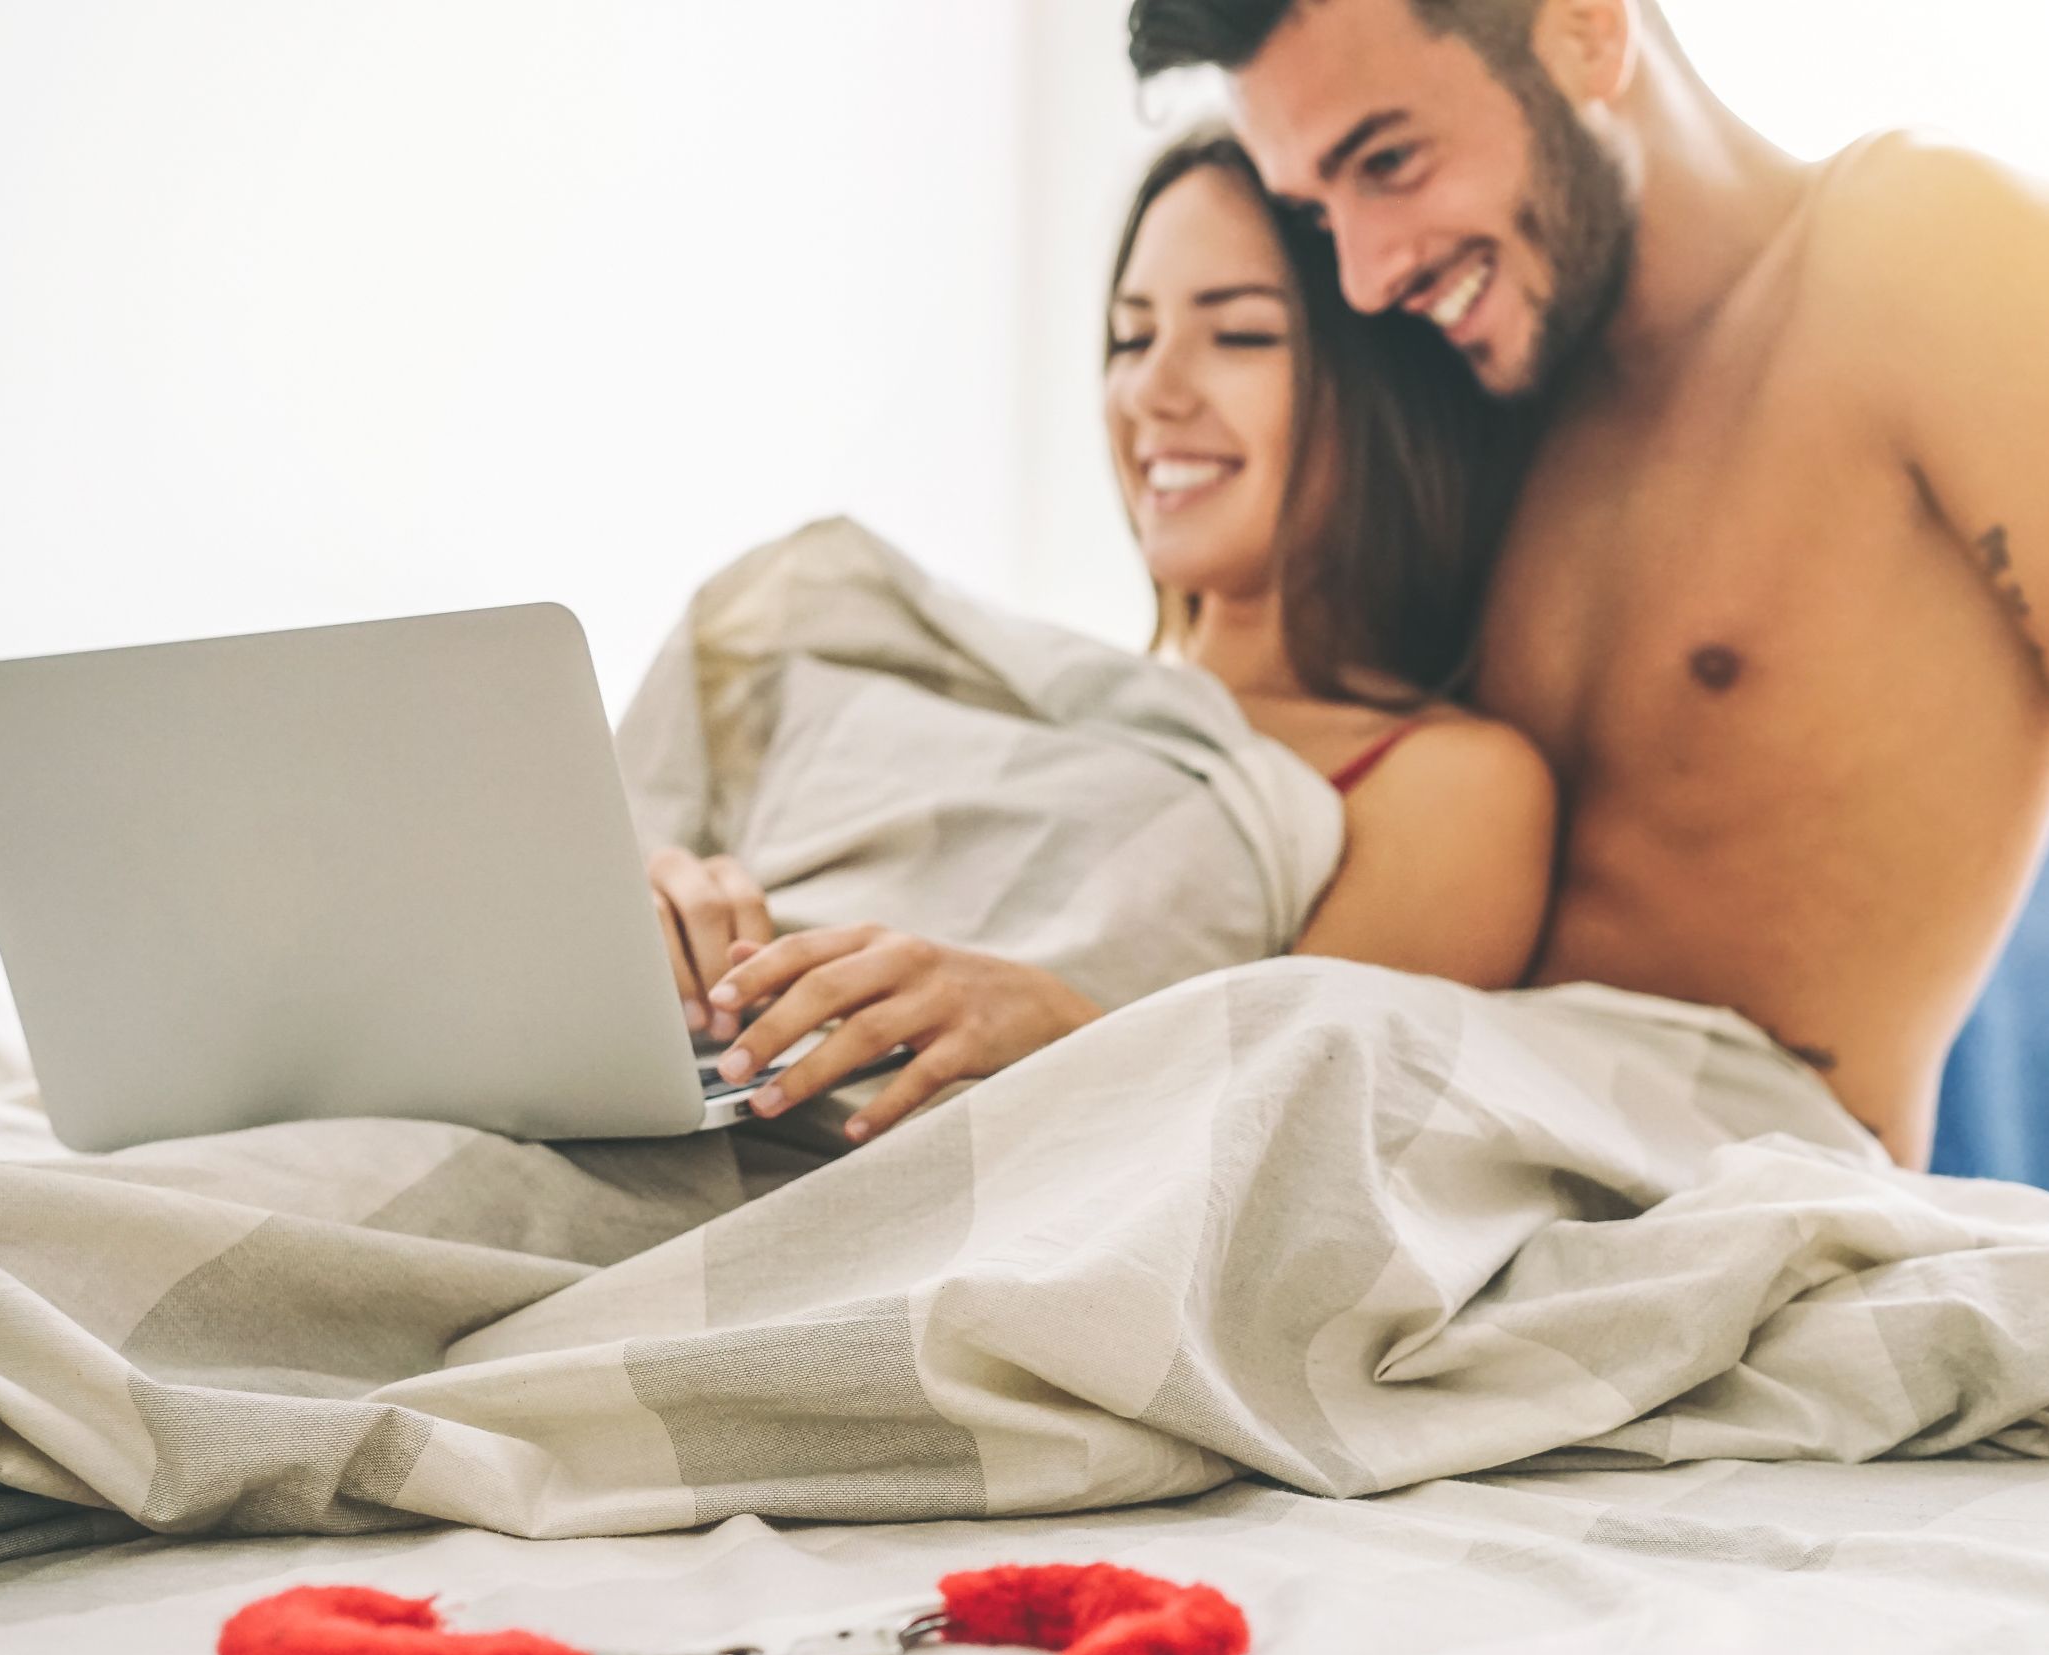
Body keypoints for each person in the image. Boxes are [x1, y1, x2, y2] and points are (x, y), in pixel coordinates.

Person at [1122, 0, 2049, 1380]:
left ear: (1584, 26)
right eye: (1319, 212)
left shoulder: (1952, 271)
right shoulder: (1486, 378)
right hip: (1428, 1218)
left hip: (1733, 1233)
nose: (1364, 272)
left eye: (1390, 162)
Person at [647, 127, 1556, 1147]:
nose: (1148, 395)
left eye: (1240, 335)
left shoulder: (1445, 780)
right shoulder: (1038, 694)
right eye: (1129, 339)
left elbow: (1310, 1134)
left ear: (1391, 391)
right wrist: (665, 903)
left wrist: (1065, 1031)